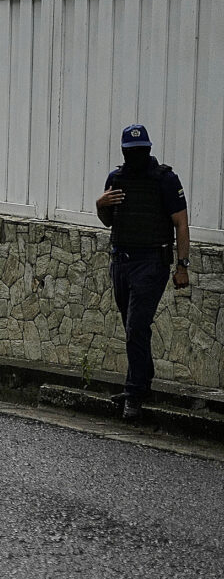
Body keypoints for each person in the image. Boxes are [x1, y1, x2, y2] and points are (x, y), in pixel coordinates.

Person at [96, 124, 189, 420]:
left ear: (148, 149)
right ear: (124, 151)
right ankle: (142, 380)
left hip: (152, 262)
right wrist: (100, 204)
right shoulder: (116, 178)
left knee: (137, 326)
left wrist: (182, 266)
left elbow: (182, 224)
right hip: (121, 261)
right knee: (133, 327)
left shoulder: (165, 179)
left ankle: (134, 393)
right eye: (131, 151)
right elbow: (107, 221)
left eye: (141, 150)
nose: (136, 155)